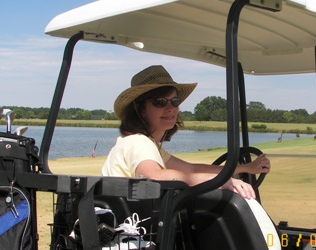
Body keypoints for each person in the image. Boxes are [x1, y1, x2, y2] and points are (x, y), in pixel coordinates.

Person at [102, 65, 270, 199]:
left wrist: (245, 168)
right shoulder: (137, 142)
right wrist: (219, 182)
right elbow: (154, 176)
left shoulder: (151, 146)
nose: (170, 108)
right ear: (141, 110)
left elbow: (191, 169)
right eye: (159, 102)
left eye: (174, 101)